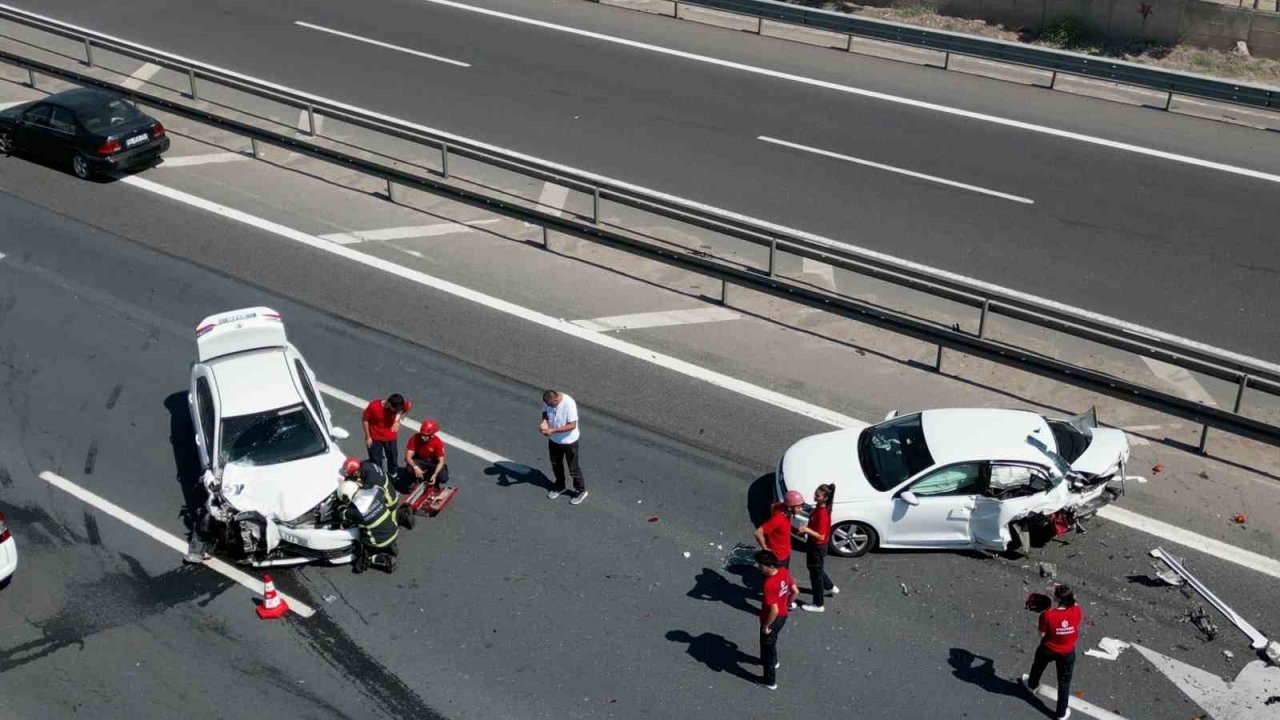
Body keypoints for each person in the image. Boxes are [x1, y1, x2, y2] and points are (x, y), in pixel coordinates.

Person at [1020, 584, 1082, 719]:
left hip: (1049, 648)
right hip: (1067, 652)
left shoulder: (1047, 615)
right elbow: (1074, 602)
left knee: (1038, 665)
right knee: (1064, 682)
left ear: (1056, 598)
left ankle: (1032, 684)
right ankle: (1061, 713)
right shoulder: (1076, 611)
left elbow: (1041, 635)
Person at [338, 458, 400, 574]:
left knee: (360, 553)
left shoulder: (356, 510)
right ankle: (390, 545)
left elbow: (342, 514)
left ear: (356, 472)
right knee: (383, 519)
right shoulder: (368, 469)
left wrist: (342, 506)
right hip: (394, 530)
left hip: (389, 502)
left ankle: (381, 559)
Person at [756, 550, 798, 690]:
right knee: (770, 642)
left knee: (768, 644)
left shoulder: (769, 584)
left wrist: (766, 626)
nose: (759, 568)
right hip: (783, 615)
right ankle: (773, 661)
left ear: (768, 566)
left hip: (772, 619)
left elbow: (773, 610)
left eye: (760, 565)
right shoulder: (784, 571)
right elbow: (795, 591)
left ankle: (769, 681)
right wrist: (788, 604)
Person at [541, 389, 587, 505]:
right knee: (556, 464)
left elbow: (572, 425)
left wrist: (553, 430)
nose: (549, 406)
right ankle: (560, 485)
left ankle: (580, 490)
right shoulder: (548, 401)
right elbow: (545, 413)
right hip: (554, 440)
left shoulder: (569, 403)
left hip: (569, 441)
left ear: (556, 400)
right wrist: (544, 422)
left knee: (573, 468)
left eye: (551, 404)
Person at [798, 483, 839, 612]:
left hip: (816, 547)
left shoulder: (822, 514)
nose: (815, 496)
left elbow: (820, 536)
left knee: (815, 574)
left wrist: (806, 529)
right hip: (816, 546)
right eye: (815, 493)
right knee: (817, 569)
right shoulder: (822, 507)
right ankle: (829, 586)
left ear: (825, 498)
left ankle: (818, 604)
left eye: (818, 495)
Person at [754, 490, 803, 570]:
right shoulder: (778, 519)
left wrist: (795, 530)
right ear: (790, 507)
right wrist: (765, 548)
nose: (801, 509)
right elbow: (757, 532)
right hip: (779, 556)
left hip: (786, 551)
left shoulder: (781, 506)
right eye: (798, 507)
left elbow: (772, 506)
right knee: (780, 579)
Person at [363, 393, 410, 475]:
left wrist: (399, 421)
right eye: (394, 410)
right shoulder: (373, 406)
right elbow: (365, 420)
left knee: (393, 459)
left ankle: (392, 475)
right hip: (375, 437)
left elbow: (408, 407)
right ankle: (379, 476)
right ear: (388, 403)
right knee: (376, 462)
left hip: (390, 436)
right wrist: (368, 437)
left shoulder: (400, 405)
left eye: (397, 411)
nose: (395, 413)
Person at [404, 418, 450, 491]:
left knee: (443, 477)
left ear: (431, 435)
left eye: (425, 435)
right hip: (421, 460)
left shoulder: (437, 443)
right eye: (422, 434)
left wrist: (435, 474)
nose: (422, 437)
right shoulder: (414, 438)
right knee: (410, 469)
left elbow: (441, 461)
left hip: (433, 463)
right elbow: (407, 457)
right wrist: (416, 467)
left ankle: (434, 479)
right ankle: (417, 479)